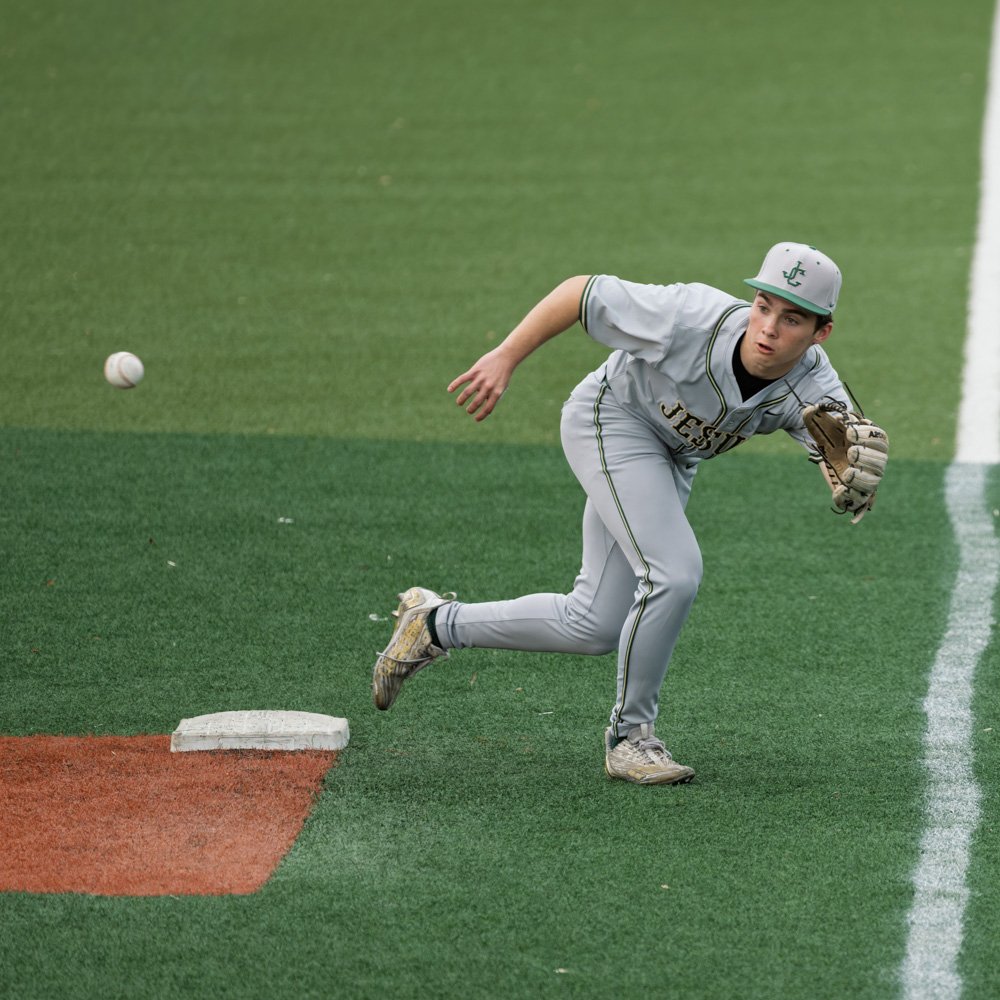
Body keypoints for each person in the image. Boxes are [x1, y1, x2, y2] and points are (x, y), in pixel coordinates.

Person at [371, 242, 888, 785]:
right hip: (611, 419)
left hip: (671, 459)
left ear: (821, 332)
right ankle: (631, 738)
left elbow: (846, 457)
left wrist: (853, 484)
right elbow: (579, 293)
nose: (768, 328)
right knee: (674, 573)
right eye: (763, 306)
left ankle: (432, 625)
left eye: (792, 318)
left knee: (592, 624)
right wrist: (505, 356)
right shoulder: (689, 318)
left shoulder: (816, 387)